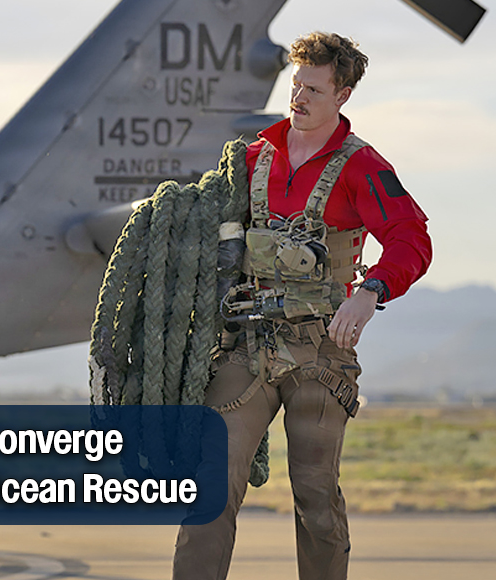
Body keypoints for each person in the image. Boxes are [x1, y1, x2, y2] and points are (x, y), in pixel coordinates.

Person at [172, 32, 432, 580]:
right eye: (296, 84)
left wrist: (371, 292)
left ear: (343, 94)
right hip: (245, 346)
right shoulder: (249, 159)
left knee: (315, 494)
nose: (299, 97)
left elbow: (412, 238)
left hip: (321, 351)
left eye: (313, 88)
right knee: (210, 486)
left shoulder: (364, 167)